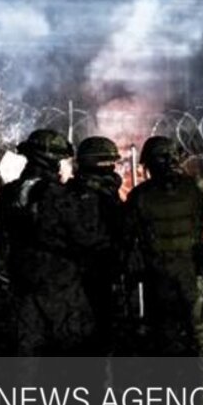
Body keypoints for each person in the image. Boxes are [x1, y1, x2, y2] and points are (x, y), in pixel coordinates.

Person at [0, 128, 98, 357]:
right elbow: (86, 238)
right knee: (70, 350)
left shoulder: (9, 193)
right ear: (52, 160)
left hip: (22, 279)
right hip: (60, 284)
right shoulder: (60, 195)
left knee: (27, 349)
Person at [125, 136, 203, 365]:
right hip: (191, 271)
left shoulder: (139, 195)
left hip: (158, 273)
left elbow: (128, 230)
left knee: (165, 336)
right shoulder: (196, 187)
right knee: (200, 336)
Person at [66, 136, 129, 353]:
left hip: (95, 271)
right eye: (109, 164)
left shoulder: (76, 192)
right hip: (90, 272)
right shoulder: (88, 195)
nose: (113, 169)